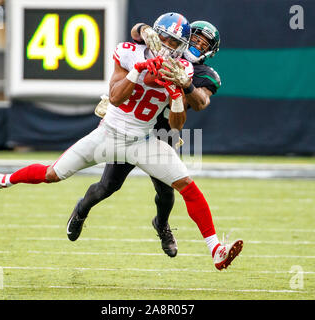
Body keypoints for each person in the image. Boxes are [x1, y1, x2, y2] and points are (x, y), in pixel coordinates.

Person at [0, 12, 243, 271]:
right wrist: (139, 65)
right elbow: (117, 90)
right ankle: (1, 180)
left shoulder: (188, 70)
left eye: (176, 42)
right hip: (109, 134)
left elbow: (182, 119)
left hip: (148, 139)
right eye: (166, 39)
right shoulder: (131, 50)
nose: (170, 46)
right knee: (56, 174)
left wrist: (179, 89)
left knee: (184, 187)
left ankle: (215, 249)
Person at [78, 20, 222, 258]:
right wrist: (145, 29)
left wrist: (185, 83)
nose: (196, 44)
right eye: (194, 39)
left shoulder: (204, 74)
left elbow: (200, 102)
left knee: (167, 191)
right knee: (108, 186)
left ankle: (162, 225)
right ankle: (82, 208)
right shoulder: (162, 48)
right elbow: (137, 32)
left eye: (203, 44)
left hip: (162, 133)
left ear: (210, 51)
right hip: (131, 129)